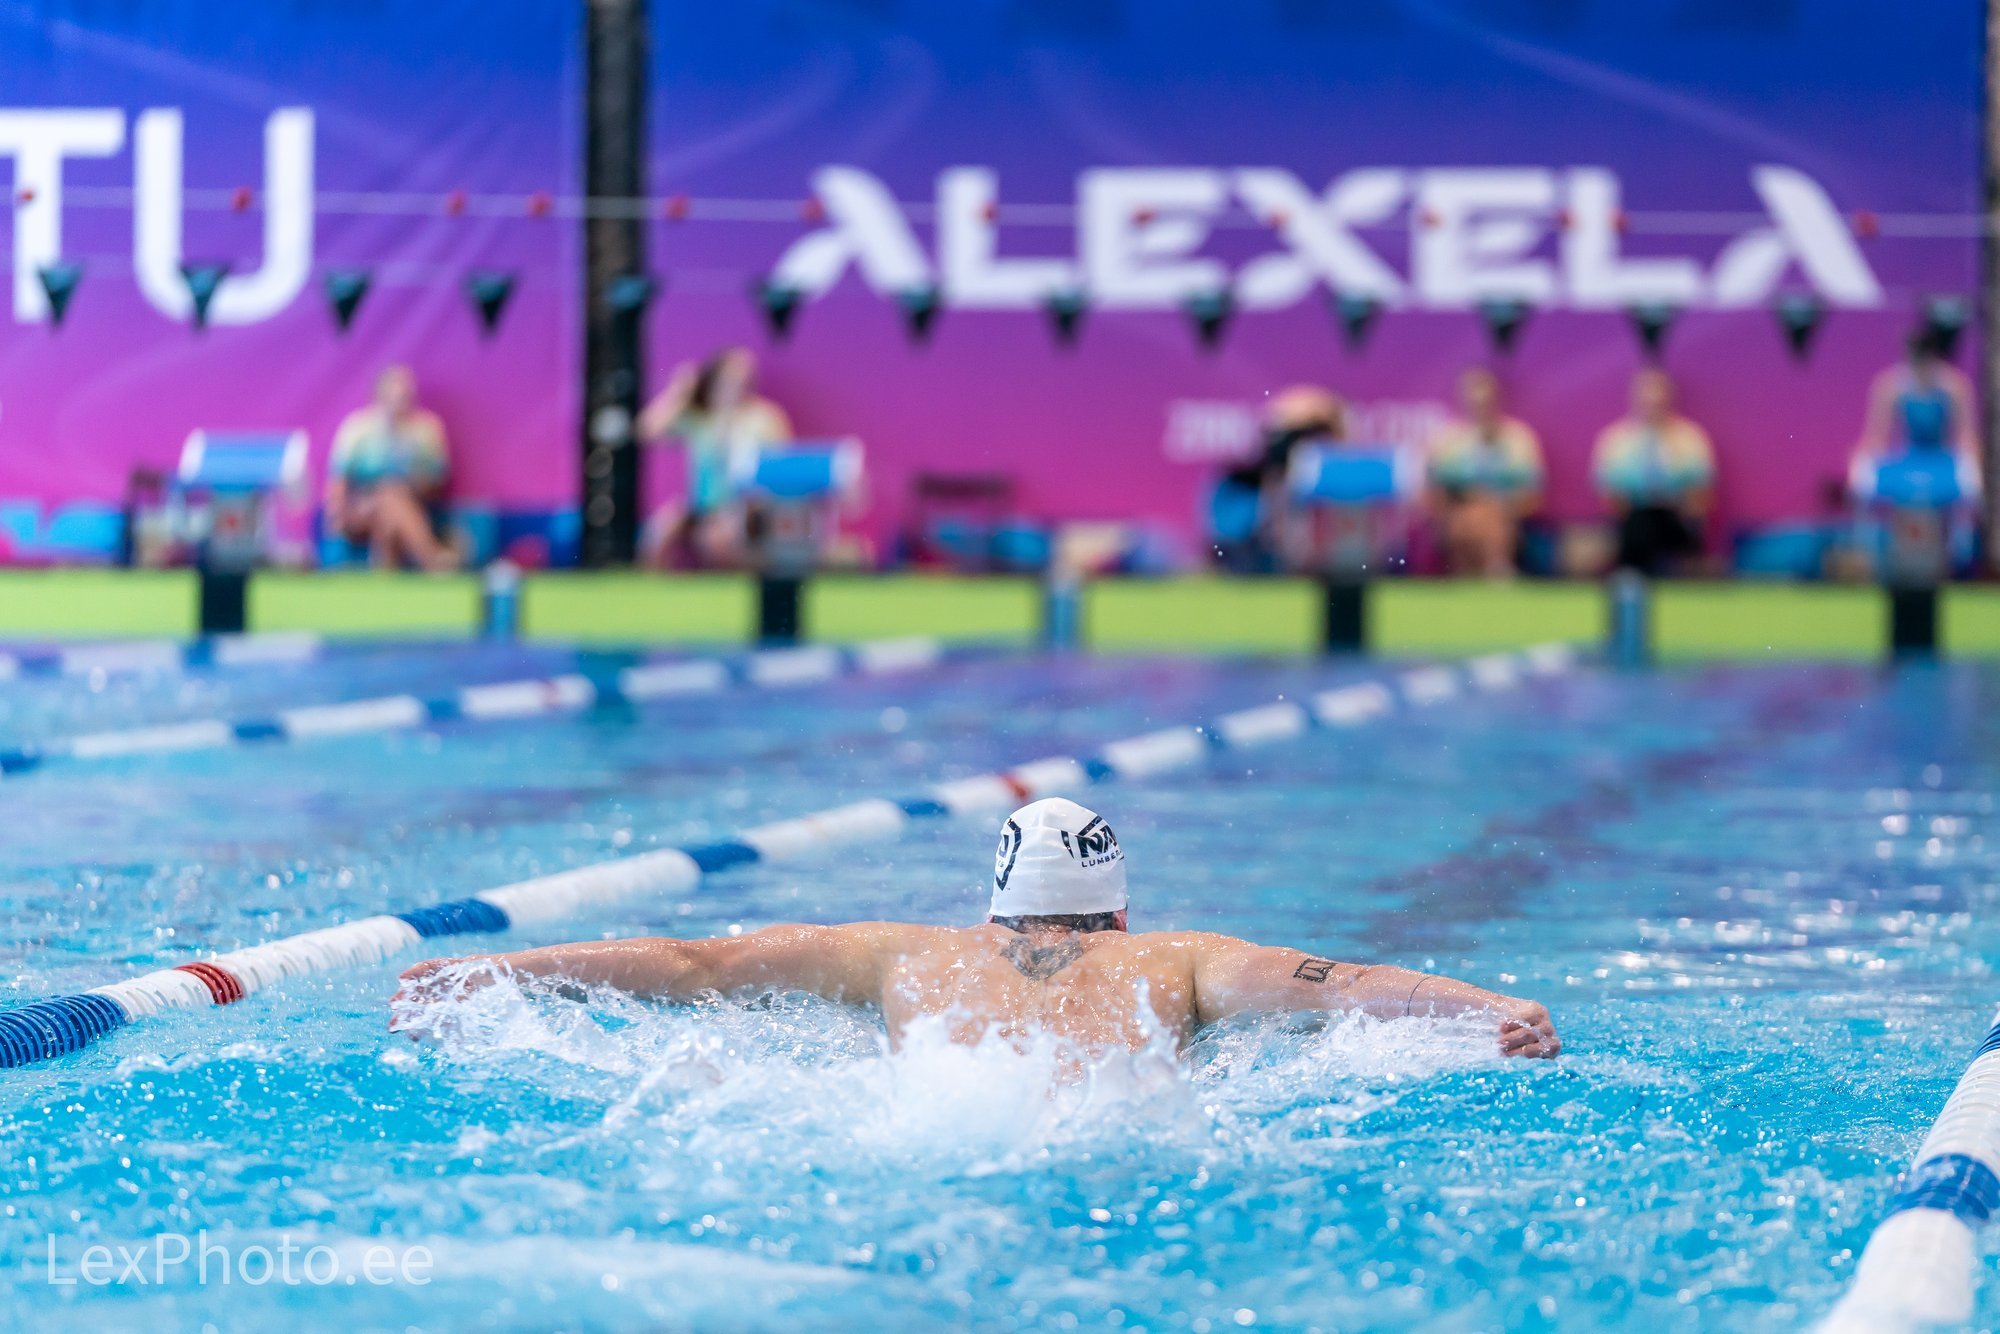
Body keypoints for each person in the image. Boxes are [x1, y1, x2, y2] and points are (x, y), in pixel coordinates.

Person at [390, 798, 1560, 1063]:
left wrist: (495, 966)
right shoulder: (1178, 959)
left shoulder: (902, 953)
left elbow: (692, 964)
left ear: (991, 896)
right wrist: (1488, 1009)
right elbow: (1346, 981)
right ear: (1116, 903)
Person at [637, 347, 793, 568]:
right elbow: (647, 430)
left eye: (742, 378)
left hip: (747, 506)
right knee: (657, 534)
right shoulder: (702, 418)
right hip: (700, 505)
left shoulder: (764, 418)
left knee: (716, 541)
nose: (735, 384)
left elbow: (782, 468)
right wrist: (679, 392)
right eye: (729, 378)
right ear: (715, 379)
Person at [325, 365, 457, 571]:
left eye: (406, 395)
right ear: (378, 396)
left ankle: (383, 573)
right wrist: (336, 516)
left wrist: (409, 484)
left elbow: (437, 479)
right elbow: (338, 480)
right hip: (361, 508)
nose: (401, 401)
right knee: (389, 496)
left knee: (390, 508)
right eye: (395, 395)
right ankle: (432, 558)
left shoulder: (426, 429)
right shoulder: (356, 428)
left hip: (413, 505)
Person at [1592, 368, 1716, 576]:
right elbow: (1609, 496)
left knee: (1653, 522)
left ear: (1669, 400)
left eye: (1658, 402)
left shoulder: (1691, 439)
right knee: (1641, 524)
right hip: (1631, 521)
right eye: (1647, 402)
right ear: (1635, 400)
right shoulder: (1615, 441)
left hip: (1676, 520)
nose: (1653, 408)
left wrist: (1682, 509)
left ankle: (1635, 578)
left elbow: (1702, 494)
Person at [1213, 386, 1345, 573]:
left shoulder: (1306, 418)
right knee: (1284, 514)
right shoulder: (1310, 411)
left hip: (1286, 477)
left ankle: (1289, 556)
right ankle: (1284, 556)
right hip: (1282, 478)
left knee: (1289, 513)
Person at [1425, 368, 1544, 576]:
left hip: (1507, 515)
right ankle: (1495, 570)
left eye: (1485, 401)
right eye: (1474, 401)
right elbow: (1432, 492)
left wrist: (1492, 502)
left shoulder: (1519, 437)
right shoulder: (1447, 439)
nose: (1480, 407)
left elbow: (1532, 494)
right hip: (1458, 516)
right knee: (1471, 517)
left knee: (1486, 516)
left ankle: (1480, 570)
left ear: (1496, 399)